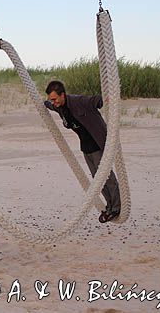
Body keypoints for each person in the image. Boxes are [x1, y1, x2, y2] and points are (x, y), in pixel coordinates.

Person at [44, 81, 120, 223]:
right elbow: (50, 106)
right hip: (86, 147)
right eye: (51, 100)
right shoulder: (60, 106)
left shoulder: (78, 101)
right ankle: (109, 207)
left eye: (54, 99)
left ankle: (116, 208)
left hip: (98, 144)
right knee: (98, 179)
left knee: (107, 178)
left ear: (62, 95)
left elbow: (95, 101)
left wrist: (108, 97)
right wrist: (43, 103)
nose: (53, 102)